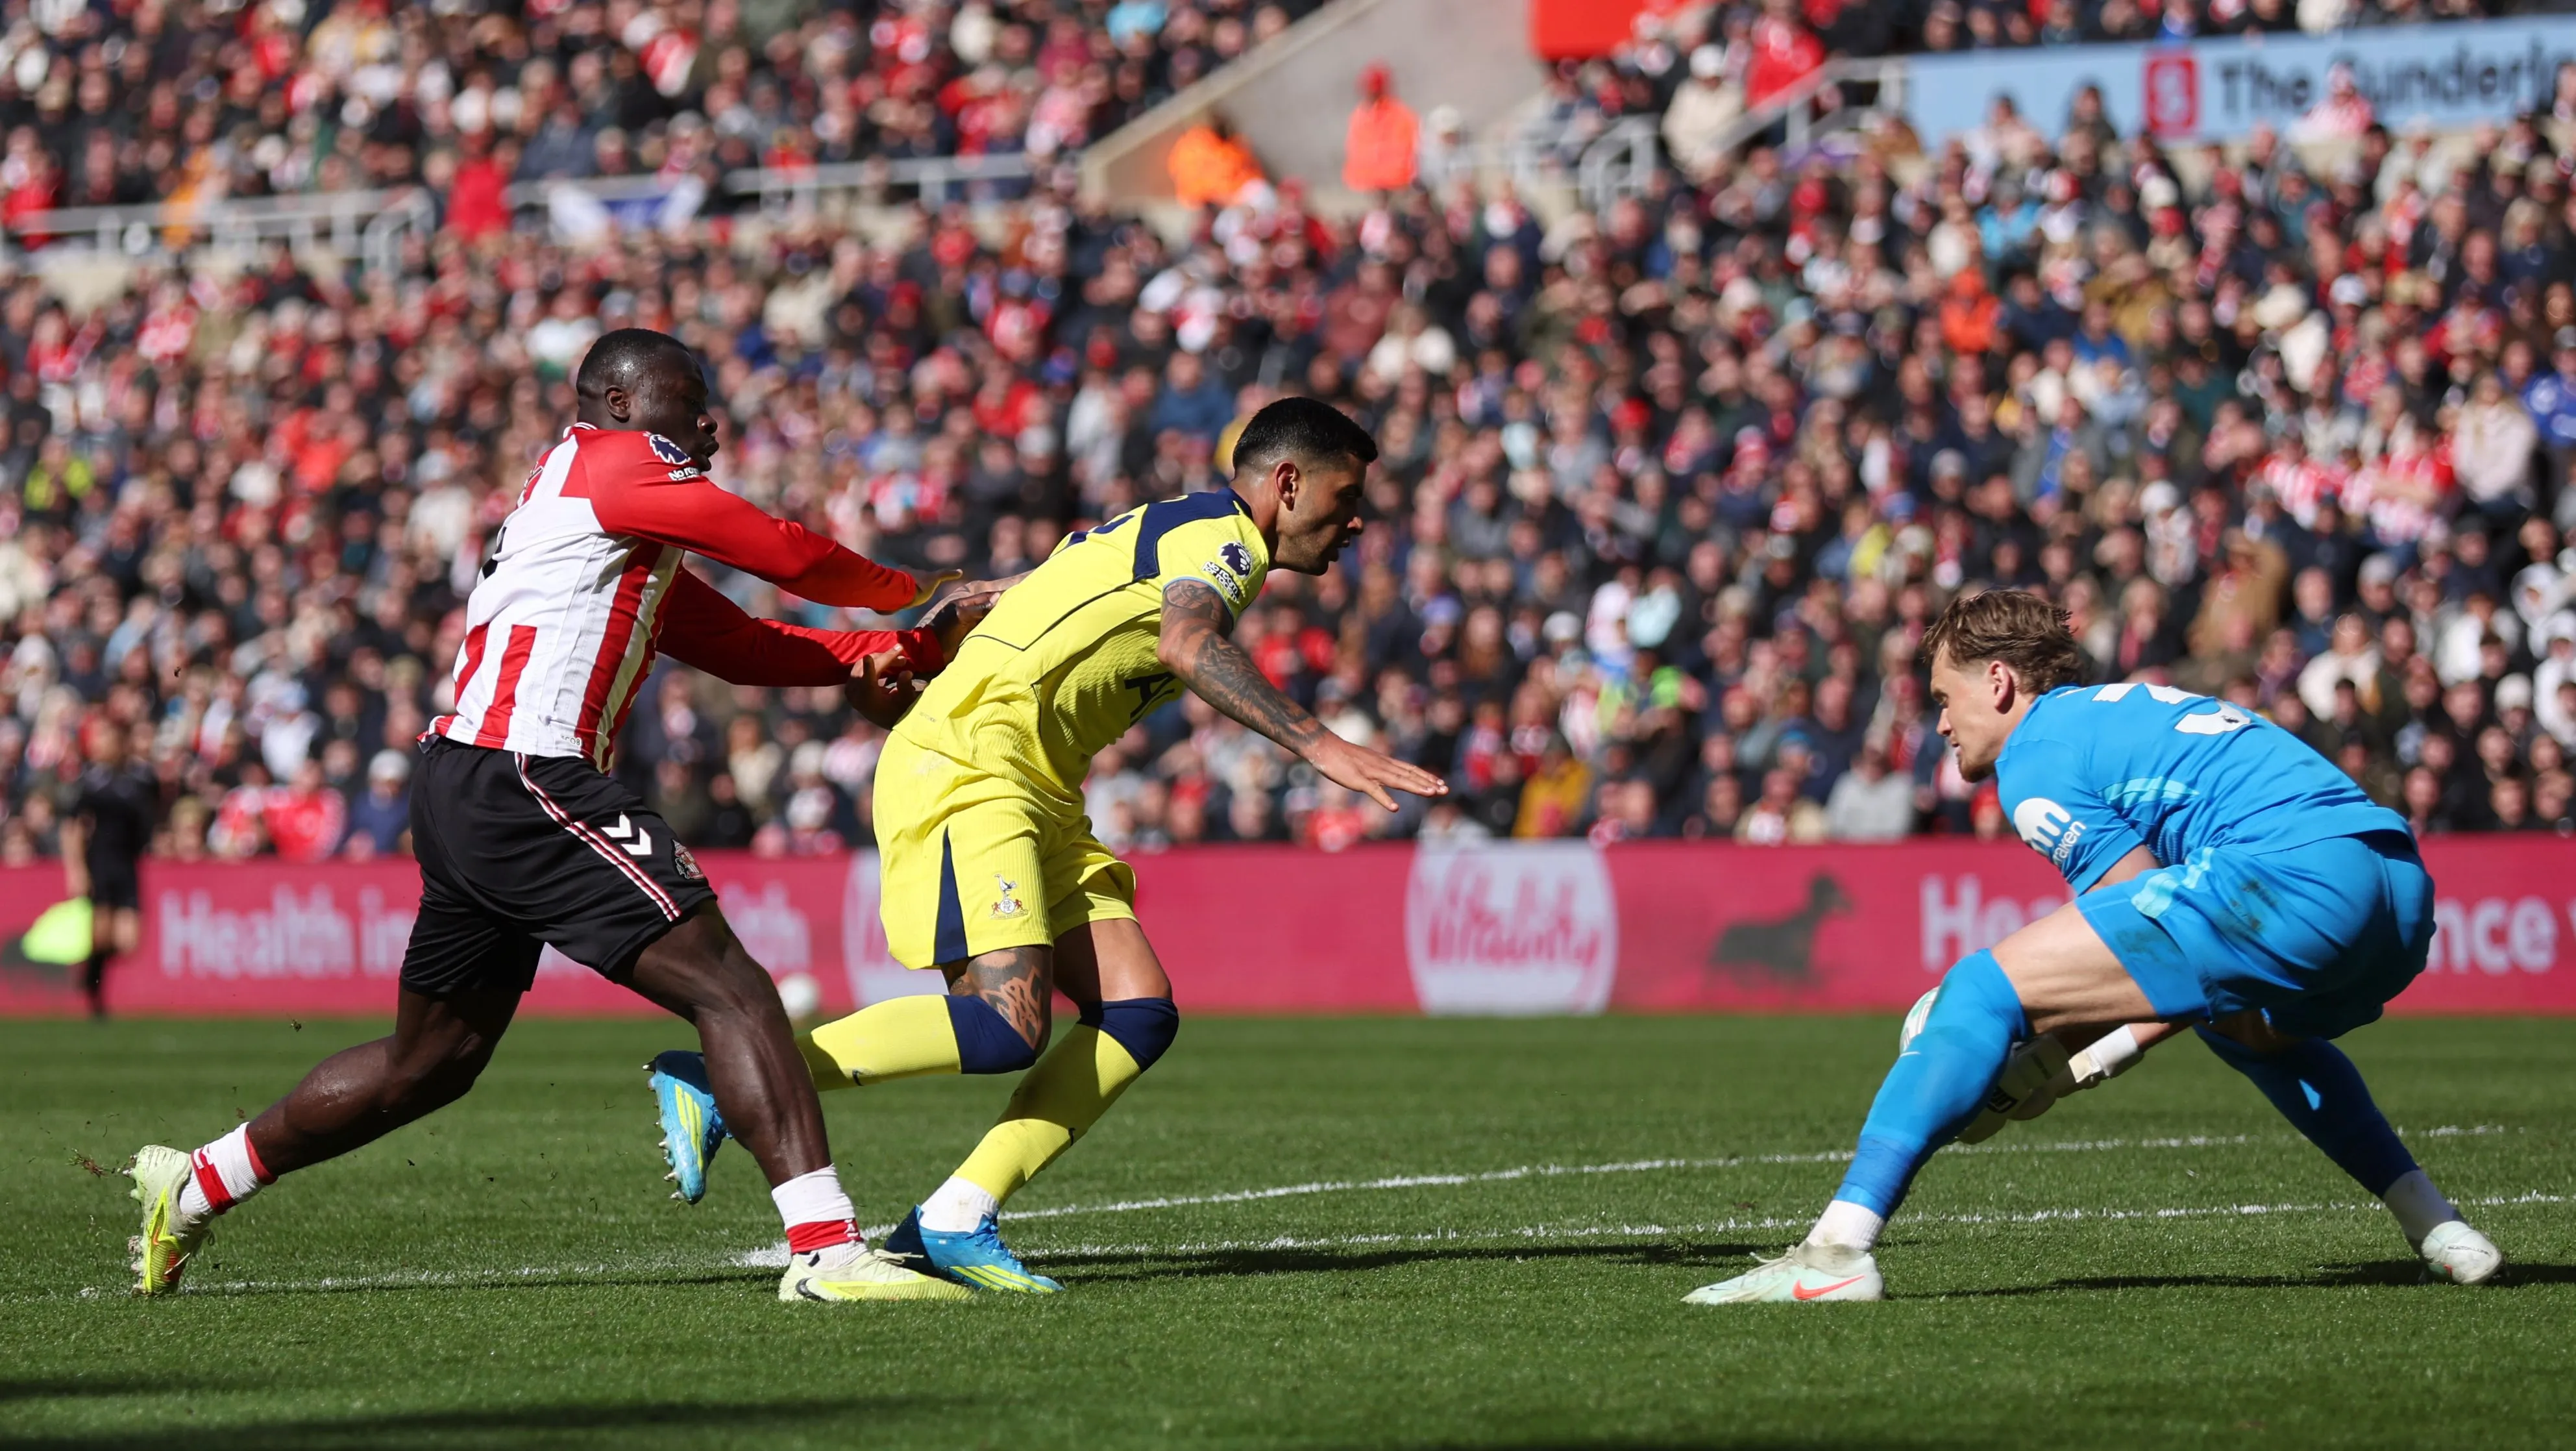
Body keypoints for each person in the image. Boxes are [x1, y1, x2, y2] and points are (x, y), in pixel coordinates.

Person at [125, 329, 976, 1304]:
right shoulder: (618, 466)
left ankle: (196, 1184)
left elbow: (741, 645)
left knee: (428, 1063)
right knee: (734, 989)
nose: (708, 423)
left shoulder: (598, 519)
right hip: (526, 773)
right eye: (687, 400)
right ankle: (826, 1250)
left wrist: (909, 647)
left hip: (472, 781)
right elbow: (780, 551)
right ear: (619, 404)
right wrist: (922, 590)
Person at [645, 397, 1447, 1293]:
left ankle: (954, 1217)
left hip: (1033, 782)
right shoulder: (1222, 544)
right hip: (975, 767)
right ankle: (724, 1077)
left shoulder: (1157, 527)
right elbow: (1187, 644)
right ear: (1288, 483)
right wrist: (1320, 744)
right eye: (1345, 496)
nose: (1356, 520)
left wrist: (919, 656)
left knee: (1136, 1009)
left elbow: (984, 601)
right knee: (1004, 1022)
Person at [1688, 589, 2502, 1304]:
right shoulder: (2115, 712)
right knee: (2249, 1032)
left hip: (2290, 879)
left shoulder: (2034, 754)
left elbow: (2137, 905)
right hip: (2395, 890)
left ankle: (1834, 1253)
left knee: (1975, 993)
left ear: (1998, 682)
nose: (1939, 723)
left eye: (1944, 697)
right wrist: (2085, 1055)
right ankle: (2441, 1229)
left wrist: (2047, 1055)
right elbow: (2171, 954)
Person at [60, 717, 153, 1019]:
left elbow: (147, 822)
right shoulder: (91, 782)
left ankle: (92, 972)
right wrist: (77, 870)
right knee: (100, 934)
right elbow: (72, 827)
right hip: (99, 863)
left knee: (128, 941)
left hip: (127, 865)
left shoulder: (138, 780)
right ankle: (95, 991)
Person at [1342, 64, 1418, 194]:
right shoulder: (1359, 115)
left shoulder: (1400, 114)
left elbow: (1406, 150)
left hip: (1394, 184)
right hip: (1363, 185)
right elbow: (1355, 150)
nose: (1370, 94)